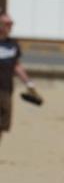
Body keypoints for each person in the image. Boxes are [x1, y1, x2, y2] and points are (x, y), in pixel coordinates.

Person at [0, 11, 38, 146]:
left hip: (6, 89)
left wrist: (28, 82)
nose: (10, 26)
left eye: (11, 23)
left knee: (2, 124)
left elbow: (16, 66)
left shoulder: (13, 44)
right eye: (7, 23)